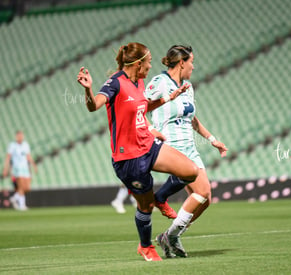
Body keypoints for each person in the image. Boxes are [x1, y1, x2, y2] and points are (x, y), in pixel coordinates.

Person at [77, 42, 199, 262]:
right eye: (149, 62)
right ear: (138, 63)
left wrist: (167, 99)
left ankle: (161, 197)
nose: (151, 66)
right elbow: (94, 105)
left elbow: (142, 107)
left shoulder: (139, 81)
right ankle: (145, 246)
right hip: (128, 158)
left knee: (190, 171)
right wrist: (87, 88)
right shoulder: (115, 83)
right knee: (145, 206)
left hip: (148, 145)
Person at [144, 45, 228, 258]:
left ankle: (170, 236)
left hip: (190, 147)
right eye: (191, 61)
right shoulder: (159, 83)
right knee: (201, 192)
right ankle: (170, 235)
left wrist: (212, 140)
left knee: (206, 198)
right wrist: (152, 130)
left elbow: (192, 119)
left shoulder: (188, 86)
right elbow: (139, 108)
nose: (194, 65)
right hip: (171, 146)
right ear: (181, 62)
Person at [2, 130, 37, 211]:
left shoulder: (26, 145)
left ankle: (14, 198)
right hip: (17, 168)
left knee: (27, 188)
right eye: (19, 135)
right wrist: (5, 169)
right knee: (21, 186)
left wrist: (33, 165)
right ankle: (22, 205)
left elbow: (28, 156)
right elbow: (8, 158)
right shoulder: (12, 145)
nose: (20, 137)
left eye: (21, 135)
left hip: (25, 168)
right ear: (16, 137)